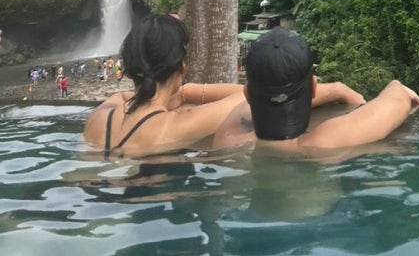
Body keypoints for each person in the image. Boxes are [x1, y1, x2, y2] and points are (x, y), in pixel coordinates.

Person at [84, 14, 361, 159]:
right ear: (182, 65)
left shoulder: (101, 115)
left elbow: (127, 96)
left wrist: (172, 93)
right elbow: (258, 95)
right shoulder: (178, 124)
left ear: (129, 66)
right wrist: (336, 90)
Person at [212, 28, 419, 152]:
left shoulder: (227, 139)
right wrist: (337, 90)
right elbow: (397, 97)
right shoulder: (323, 142)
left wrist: (334, 90)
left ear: (247, 94)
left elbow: (253, 101)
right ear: (314, 87)